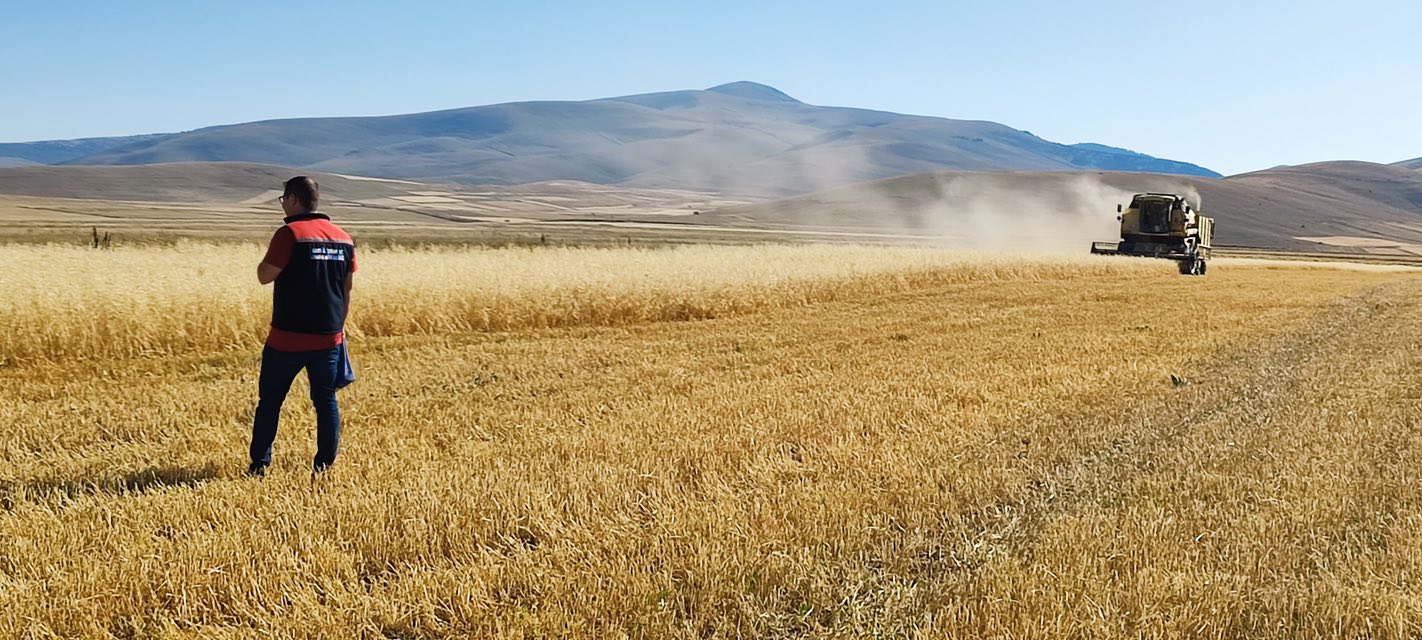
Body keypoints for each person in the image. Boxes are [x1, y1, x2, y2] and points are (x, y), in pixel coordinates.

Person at [248, 176, 356, 476]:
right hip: (328, 339)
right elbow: (347, 289)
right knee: (325, 401)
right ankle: (324, 465)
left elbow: (264, 276)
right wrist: (338, 328)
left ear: (294, 200)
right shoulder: (344, 238)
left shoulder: (289, 234)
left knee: (270, 401)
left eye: (283, 200)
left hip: (287, 340)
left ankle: (259, 464)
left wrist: (266, 258)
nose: (283, 205)